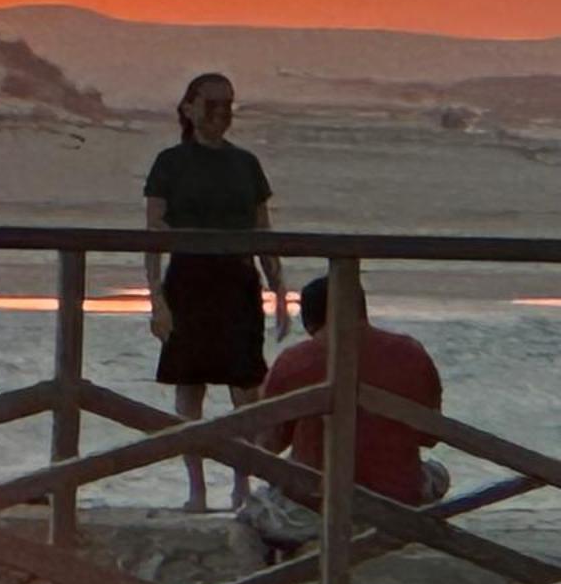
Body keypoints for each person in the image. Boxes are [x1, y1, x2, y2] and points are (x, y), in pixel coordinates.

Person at [144, 72, 289, 512]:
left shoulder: (245, 164)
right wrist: (157, 300)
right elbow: (152, 235)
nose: (221, 114)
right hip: (187, 281)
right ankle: (197, 490)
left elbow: (263, 231)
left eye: (228, 105)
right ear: (189, 108)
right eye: (211, 104)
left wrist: (281, 291)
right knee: (189, 389)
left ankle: (242, 486)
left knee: (247, 389)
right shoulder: (170, 163)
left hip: (238, 281)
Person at [241, 274, 449, 552]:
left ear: (309, 320)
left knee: (256, 507)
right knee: (437, 474)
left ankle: (274, 576)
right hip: (397, 500)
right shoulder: (410, 352)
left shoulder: (295, 360)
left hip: (316, 504)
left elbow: (267, 447)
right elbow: (430, 436)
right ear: (362, 308)